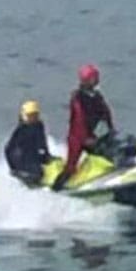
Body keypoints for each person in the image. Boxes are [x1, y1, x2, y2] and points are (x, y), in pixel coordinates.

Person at [53, 63, 116, 191]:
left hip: (91, 136)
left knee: (108, 156)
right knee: (71, 168)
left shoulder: (97, 96)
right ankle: (56, 189)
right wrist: (85, 139)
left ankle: (108, 180)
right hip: (77, 138)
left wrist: (110, 129)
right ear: (87, 80)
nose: (97, 80)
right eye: (94, 78)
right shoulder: (77, 98)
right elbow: (79, 120)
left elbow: (106, 112)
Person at [4, 100, 51, 188]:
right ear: (24, 116)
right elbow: (8, 149)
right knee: (38, 173)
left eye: (35, 115)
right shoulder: (21, 129)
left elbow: (43, 142)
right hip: (23, 161)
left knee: (55, 162)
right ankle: (37, 187)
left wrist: (46, 154)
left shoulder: (39, 125)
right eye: (30, 115)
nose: (33, 118)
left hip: (35, 156)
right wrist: (13, 168)